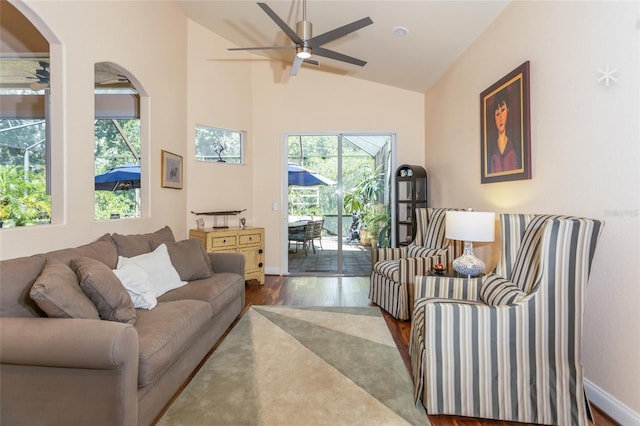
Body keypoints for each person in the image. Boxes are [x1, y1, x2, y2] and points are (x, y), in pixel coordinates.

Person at [488, 92, 520, 173]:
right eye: (497, 114)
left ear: (508, 110)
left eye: (503, 110)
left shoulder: (514, 145)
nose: (501, 118)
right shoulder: (492, 149)